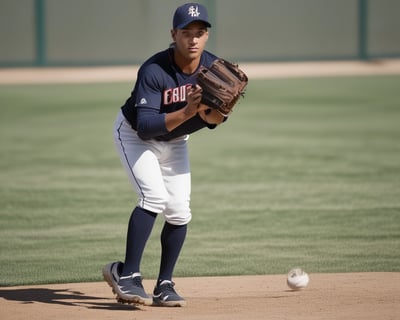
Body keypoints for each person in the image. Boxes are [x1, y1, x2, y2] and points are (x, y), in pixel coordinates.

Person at [102, 3, 226, 307]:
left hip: (175, 141)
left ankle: (164, 284)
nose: (194, 39)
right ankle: (128, 274)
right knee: (153, 197)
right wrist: (188, 110)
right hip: (134, 136)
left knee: (180, 211)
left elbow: (214, 120)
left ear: (207, 36)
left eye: (200, 33)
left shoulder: (213, 69)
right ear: (174, 35)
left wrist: (217, 113)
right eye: (187, 33)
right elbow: (145, 127)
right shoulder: (155, 70)